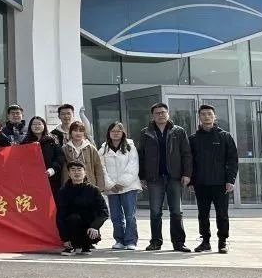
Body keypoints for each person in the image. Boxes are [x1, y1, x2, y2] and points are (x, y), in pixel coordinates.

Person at [138, 102, 193, 252]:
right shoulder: (146, 132)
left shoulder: (178, 131)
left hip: (174, 177)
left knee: (176, 211)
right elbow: (141, 155)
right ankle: (156, 242)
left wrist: (187, 174)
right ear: (152, 116)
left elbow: (186, 154)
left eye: (163, 112)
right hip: (154, 178)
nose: (161, 115)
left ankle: (179, 243)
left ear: (168, 114)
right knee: (155, 211)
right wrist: (142, 176)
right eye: (157, 113)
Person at [189, 104, 239, 254]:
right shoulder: (193, 139)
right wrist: (191, 181)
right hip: (201, 183)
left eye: (209, 114)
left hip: (220, 183)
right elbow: (190, 162)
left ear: (214, 117)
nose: (206, 117)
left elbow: (232, 160)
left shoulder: (224, 136)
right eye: (203, 114)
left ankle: (222, 241)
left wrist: (230, 180)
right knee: (202, 214)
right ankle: (205, 242)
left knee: (222, 214)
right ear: (199, 117)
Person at [99, 121, 141, 250]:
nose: (116, 133)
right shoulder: (104, 149)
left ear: (123, 133)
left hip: (128, 186)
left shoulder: (130, 147)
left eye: (118, 131)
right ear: (109, 133)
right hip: (111, 188)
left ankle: (131, 241)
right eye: (113, 131)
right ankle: (119, 240)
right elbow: (101, 168)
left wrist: (122, 182)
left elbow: (133, 166)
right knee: (116, 216)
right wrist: (110, 184)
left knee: (130, 215)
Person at [56, 160, 109, 255]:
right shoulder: (63, 191)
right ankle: (71, 245)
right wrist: (65, 238)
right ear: (69, 173)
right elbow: (60, 216)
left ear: (85, 173)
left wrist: (95, 226)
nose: (76, 172)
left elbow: (104, 212)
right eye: (73, 170)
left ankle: (86, 245)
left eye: (79, 170)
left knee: (89, 221)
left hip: (89, 227)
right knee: (73, 218)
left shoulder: (93, 190)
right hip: (71, 225)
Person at [21, 116, 66, 198]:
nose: (37, 126)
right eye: (34, 124)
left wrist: (52, 169)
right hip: (32, 179)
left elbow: (60, 157)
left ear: (44, 126)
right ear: (30, 126)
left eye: (39, 124)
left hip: (51, 178)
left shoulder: (52, 140)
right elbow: (21, 160)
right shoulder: (25, 142)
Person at [61, 121, 106, 190]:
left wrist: (100, 187)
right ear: (70, 132)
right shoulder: (65, 149)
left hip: (89, 185)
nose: (78, 133)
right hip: (70, 186)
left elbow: (98, 168)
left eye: (81, 131)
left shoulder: (91, 148)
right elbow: (63, 170)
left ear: (84, 133)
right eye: (75, 130)